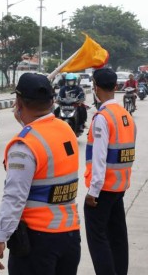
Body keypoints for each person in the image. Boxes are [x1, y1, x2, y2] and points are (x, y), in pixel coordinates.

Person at [0, 73, 81, 275]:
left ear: (18, 103)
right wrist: (27, 125)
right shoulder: (65, 130)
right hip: (70, 236)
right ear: (51, 101)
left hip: (37, 241)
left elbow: (14, 197)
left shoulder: (24, 146)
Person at [84, 68, 136, 275]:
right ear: (116, 87)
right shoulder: (126, 116)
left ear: (95, 87)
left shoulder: (102, 118)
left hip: (103, 190)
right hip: (119, 187)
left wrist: (93, 192)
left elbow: (99, 158)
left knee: (98, 239)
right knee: (117, 237)